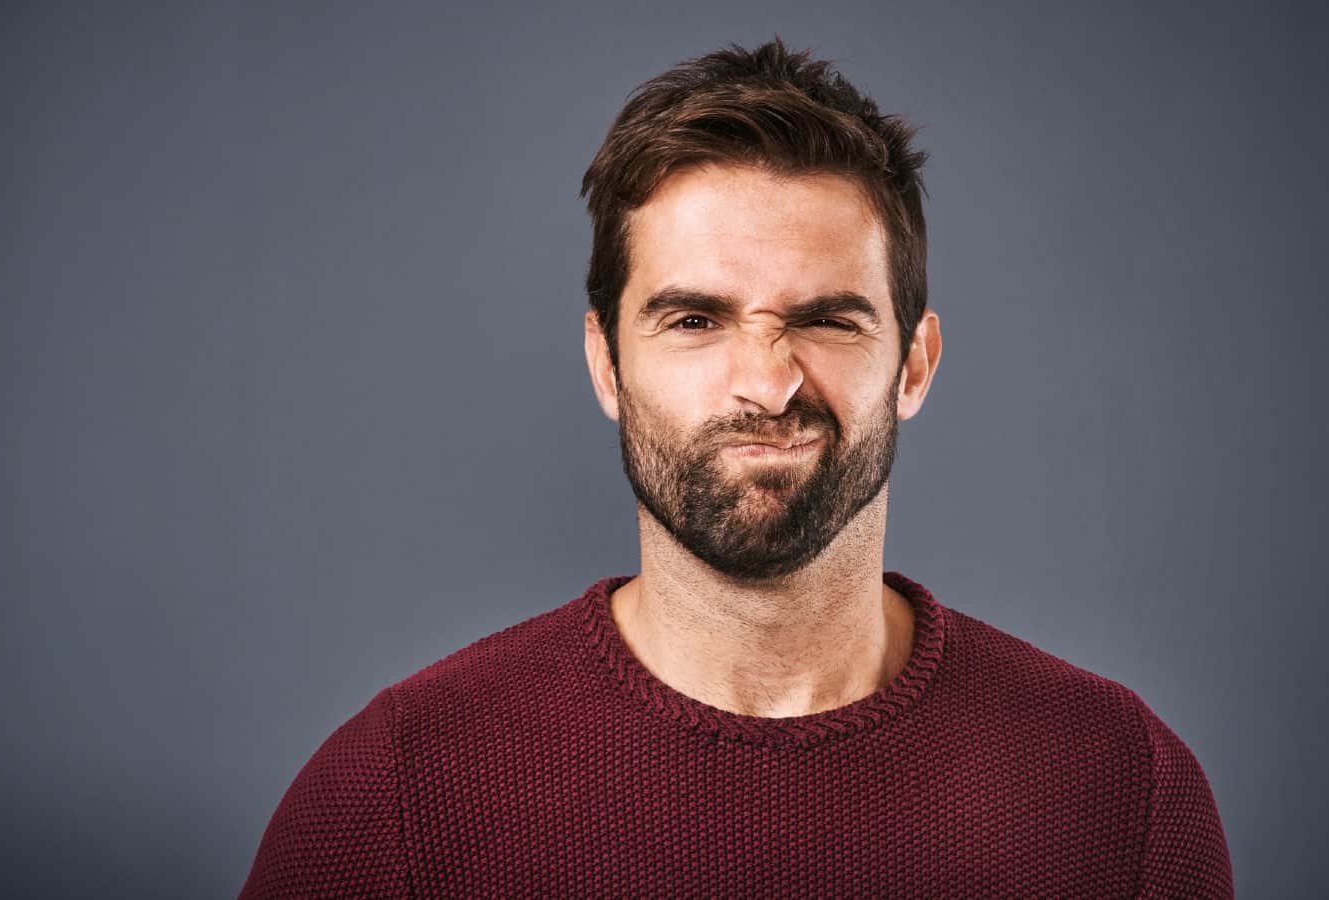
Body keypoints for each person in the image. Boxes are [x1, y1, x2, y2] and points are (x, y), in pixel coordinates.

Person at [237, 38, 1233, 898]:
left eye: (826, 321)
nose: (764, 382)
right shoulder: (398, 791)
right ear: (606, 365)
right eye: (695, 321)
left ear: (914, 364)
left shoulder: (1117, 787)